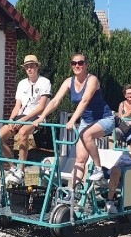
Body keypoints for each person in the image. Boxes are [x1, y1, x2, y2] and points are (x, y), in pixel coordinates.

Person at [33, 53, 115, 184]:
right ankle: (74, 194)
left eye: (80, 63)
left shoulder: (92, 80)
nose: (77, 65)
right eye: (74, 63)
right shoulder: (68, 82)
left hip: (104, 119)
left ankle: (99, 168)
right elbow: (55, 101)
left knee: (86, 135)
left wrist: (72, 121)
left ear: (86, 65)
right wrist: (41, 117)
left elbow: (85, 100)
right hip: (86, 121)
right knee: (80, 159)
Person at [2, 55, 51, 184]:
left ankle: (21, 171)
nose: (29, 69)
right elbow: (17, 105)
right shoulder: (22, 83)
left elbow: (41, 107)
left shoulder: (44, 82)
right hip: (21, 116)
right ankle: (13, 167)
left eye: (32, 66)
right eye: (27, 67)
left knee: (23, 133)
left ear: (37, 67)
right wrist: (11, 120)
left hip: (36, 117)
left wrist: (22, 121)